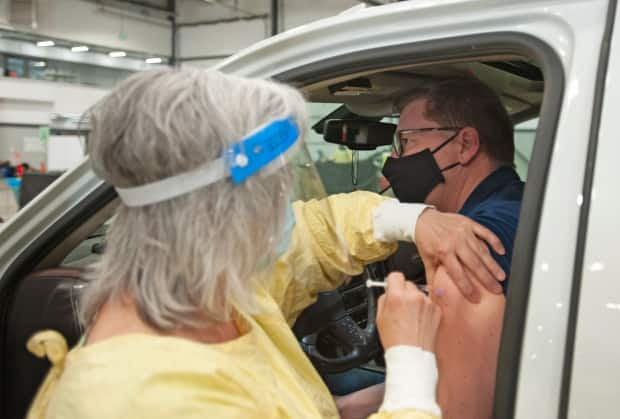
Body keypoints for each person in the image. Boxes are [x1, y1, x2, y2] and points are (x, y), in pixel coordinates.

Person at [27, 68, 447, 419]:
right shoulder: (143, 395)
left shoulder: (213, 292)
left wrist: (407, 218)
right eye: (278, 192)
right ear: (221, 212)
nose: (288, 209)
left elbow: (314, 237)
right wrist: (411, 365)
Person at [338, 76, 524, 419]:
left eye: (405, 141)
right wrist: (348, 408)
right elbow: (455, 368)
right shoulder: (517, 205)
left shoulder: (466, 245)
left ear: (465, 144)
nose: (393, 160)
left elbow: (460, 408)